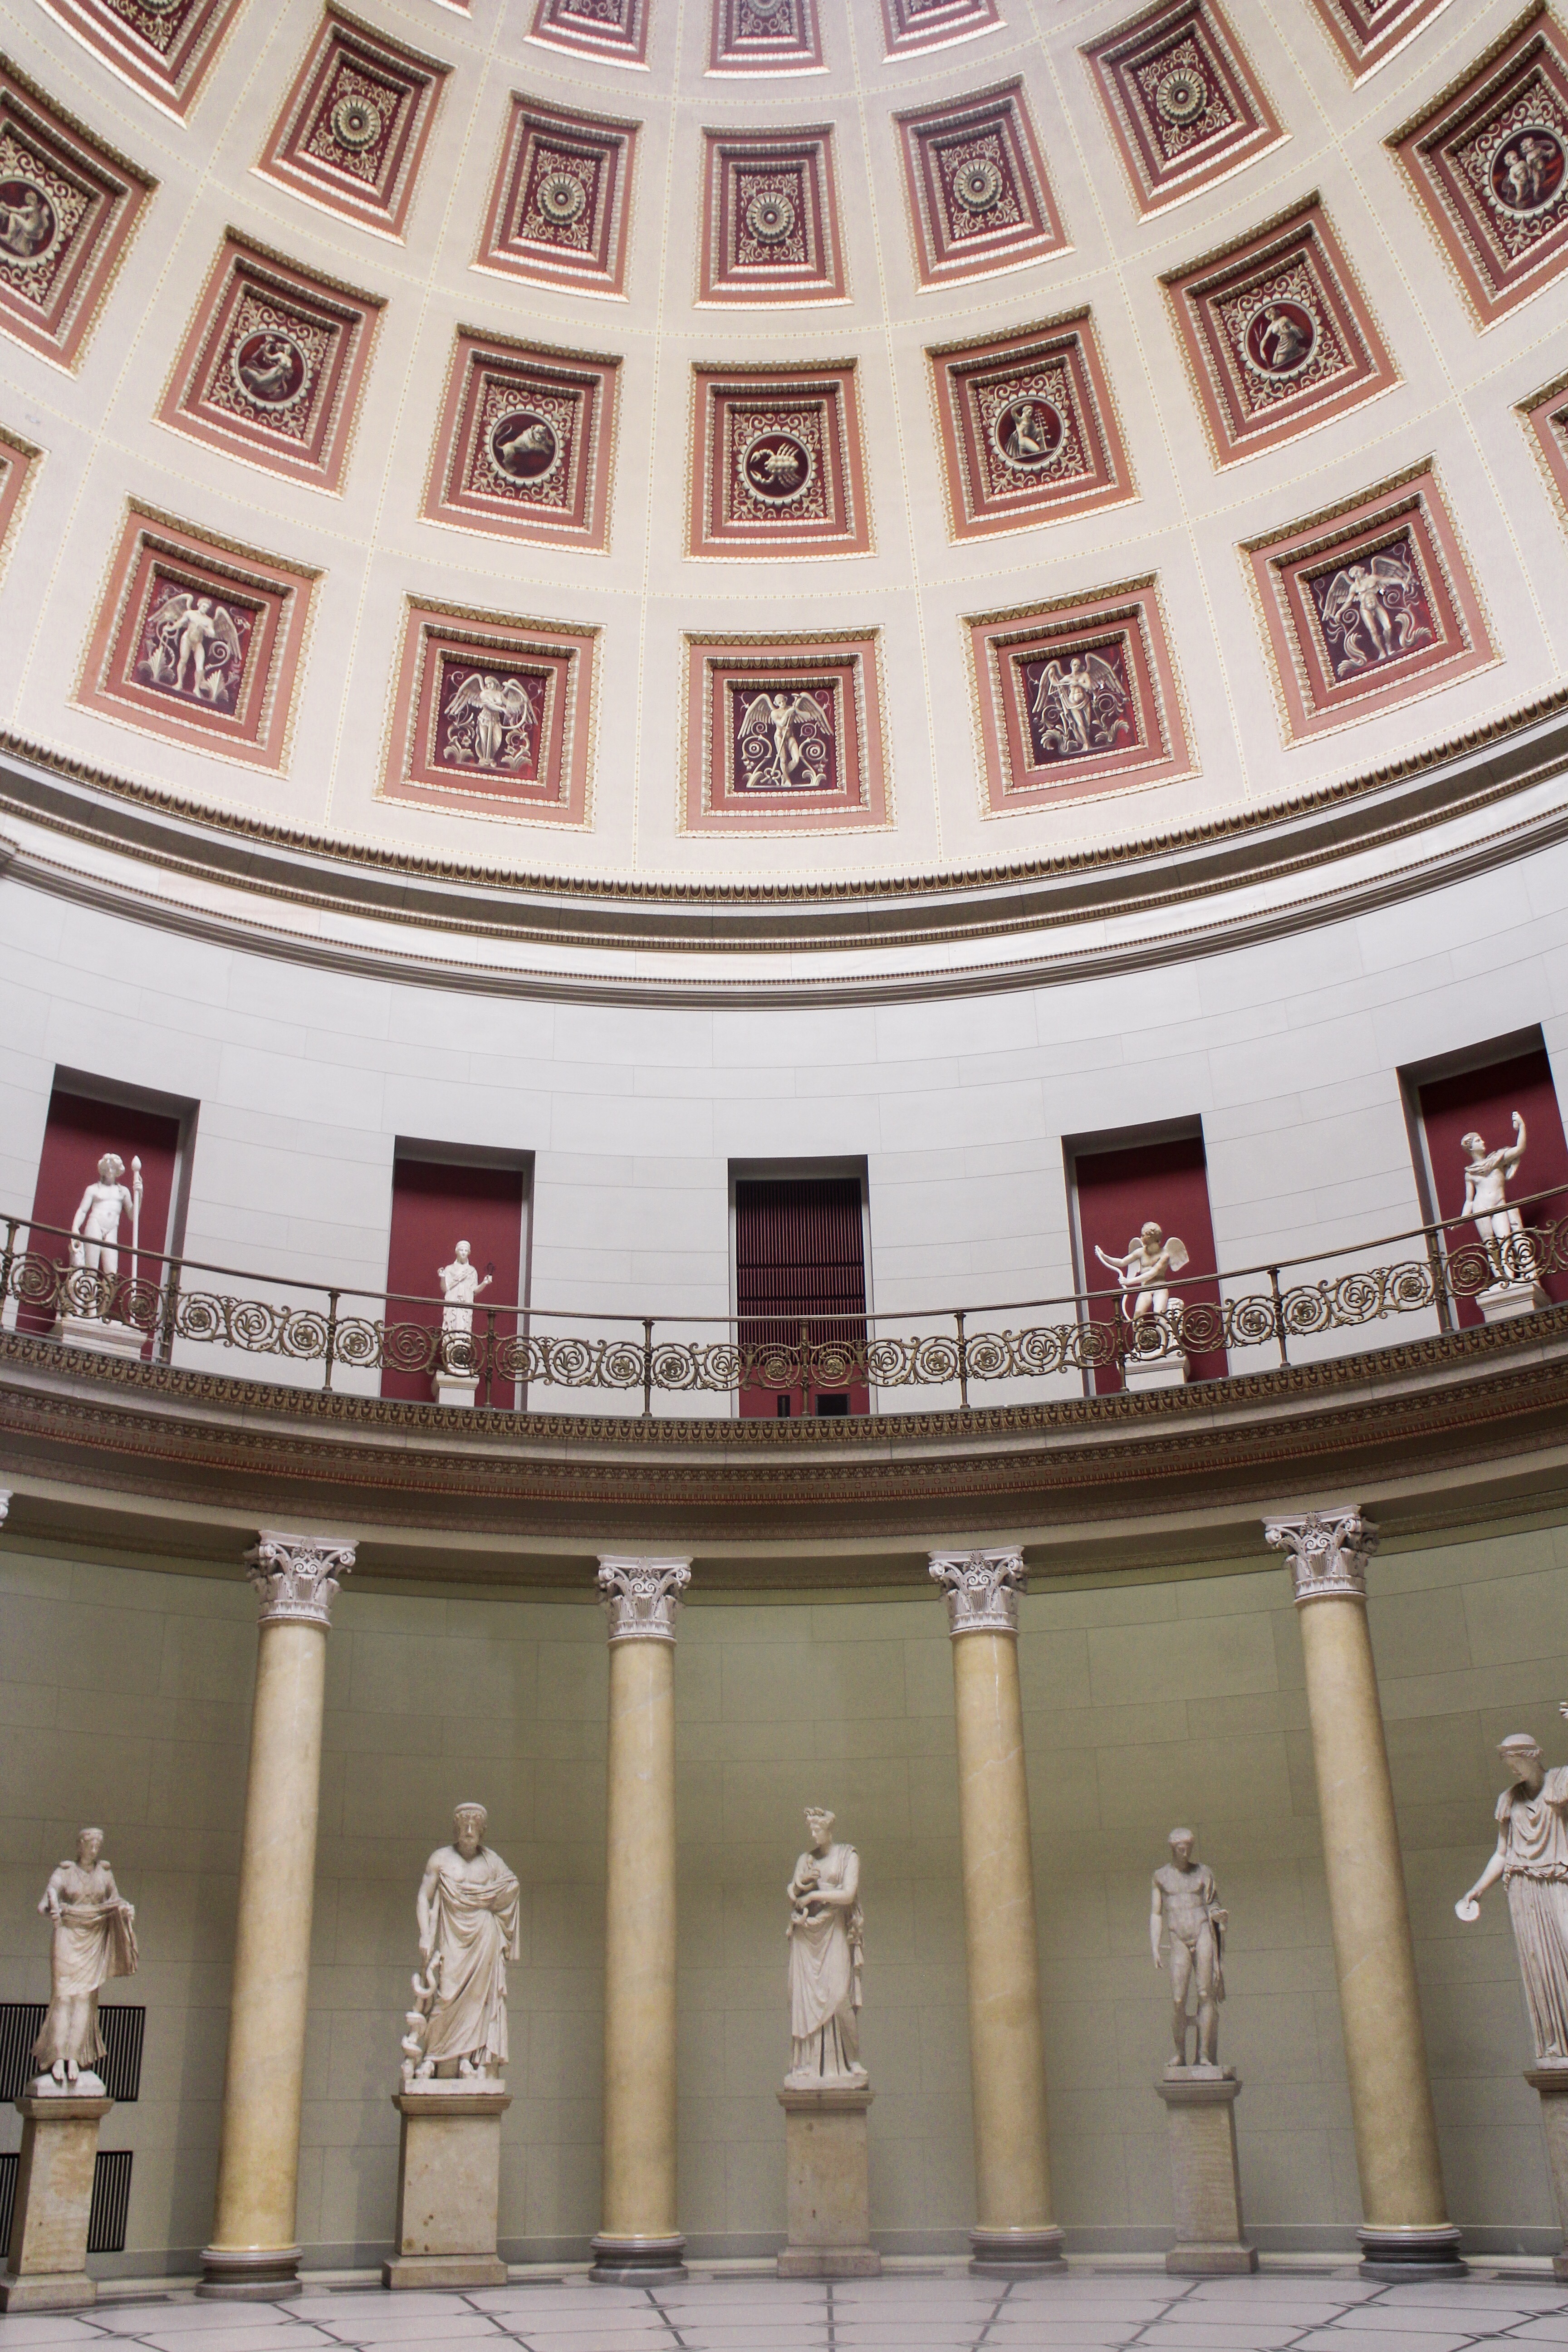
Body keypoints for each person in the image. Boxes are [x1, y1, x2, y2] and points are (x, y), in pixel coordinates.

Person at [1457, 1724, 1568, 2062]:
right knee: (1541, 1967)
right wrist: (1477, 1890)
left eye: (1517, 1763)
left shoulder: (1562, 1781)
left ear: (1533, 1757)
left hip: (1560, 1881)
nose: (1514, 1771)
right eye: (1509, 1765)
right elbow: (1502, 1853)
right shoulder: (1508, 1799)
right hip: (1524, 1889)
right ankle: (1555, 2045)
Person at [409, 1804, 520, 2078]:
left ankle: (467, 2059)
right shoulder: (441, 1859)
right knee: (446, 1993)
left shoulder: (492, 1862)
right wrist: (426, 1933)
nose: (469, 1832)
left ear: (482, 1831)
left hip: (484, 1936)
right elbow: (424, 1896)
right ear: (456, 1829)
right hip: (452, 1936)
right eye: (464, 1826)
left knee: (476, 2001)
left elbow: (513, 1887)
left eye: (474, 1827)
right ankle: (432, 2057)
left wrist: (492, 1901)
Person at [32, 1828, 137, 2090]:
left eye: (97, 1846)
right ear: (80, 1846)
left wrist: (126, 1910)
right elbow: (45, 1902)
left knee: (84, 2000)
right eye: (90, 1845)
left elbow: (116, 1901)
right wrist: (54, 1907)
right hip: (68, 1935)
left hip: (94, 1938)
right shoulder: (65, 1872)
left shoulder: (105, 1873)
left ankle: (74, 2057)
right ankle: (57, 2056)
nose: (94, 1850)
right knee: (63, 1998)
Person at [786, 1807, 865, 2087]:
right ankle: (808, 2065)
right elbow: (793, 1893)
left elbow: (848, 1894)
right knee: (804, 1999)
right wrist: (801, 1885)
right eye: (811, 1829)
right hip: (808, 1935)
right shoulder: (806, 1859)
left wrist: (814, 1895)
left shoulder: (848, 1855)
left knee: (840, 1996)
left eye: (817, 1829)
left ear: (828, 1829)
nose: (813, 1834)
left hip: (836, 1929)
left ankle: (852, 2061)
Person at [1151, 1828, 1227, 2071]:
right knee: (1178, 1999)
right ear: (1173, 1848)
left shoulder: (1203, 1872)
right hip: (1178, 1937)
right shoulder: (1161, 1876)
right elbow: (1156, 1913)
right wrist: (1155, 1946)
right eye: (1182, 1848)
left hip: (1202, 1931)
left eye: (1189, 1847)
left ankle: (1204, 2054)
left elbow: (1212, 1902)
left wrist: (1218, 1915)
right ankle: (1180, 2054)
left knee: (1205, 1994)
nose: (1186, 1852)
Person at [1460, 1113, 1535, 1287]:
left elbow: (1520, 1148)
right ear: (1471, 1148)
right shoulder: (1470, 1173)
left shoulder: (1498, 1159)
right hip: (1481, 1207)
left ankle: (1510, 1277)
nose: (1483, 1142)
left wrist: (1522, 1126)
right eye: (1478, 1141)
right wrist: (1462, 1219)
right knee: (1490, 1245)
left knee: (1505, 1239)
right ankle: (1503, 1280)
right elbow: (1469, 1200)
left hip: (1499, 1204)